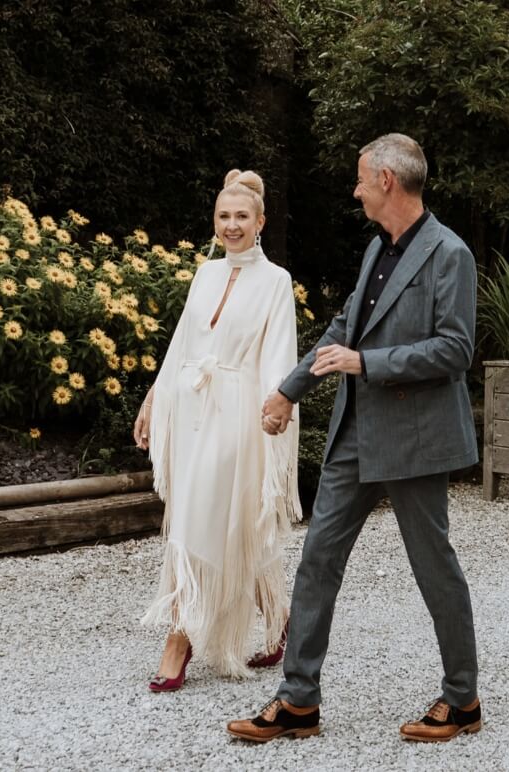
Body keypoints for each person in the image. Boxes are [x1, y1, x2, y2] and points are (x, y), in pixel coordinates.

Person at [226, 133, 481, 742]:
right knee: (318, 560)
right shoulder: (377, 248)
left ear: (388, 181)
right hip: (354, 432)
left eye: (363, 178)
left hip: (415, 440)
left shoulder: (450, 254)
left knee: (433, 567)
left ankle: (463, 699)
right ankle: (298, 702)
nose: (356, 188)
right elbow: (345, 328)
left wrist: (370, 364)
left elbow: (456, 349)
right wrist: (289, 389)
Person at [134, 169, 301, 690]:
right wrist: (154, 397)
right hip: (190, 409)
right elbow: (182, 342)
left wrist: (280, 404)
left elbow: (279, 352)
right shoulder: (205, 274)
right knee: (225, 521)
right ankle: (281, 623)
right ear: (214, 221)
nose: (232, 225)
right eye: (224, 216)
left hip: (239, 412)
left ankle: (179, 638)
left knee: (198, 520)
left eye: (242, 217)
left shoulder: (275, 282)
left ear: (260, 222)